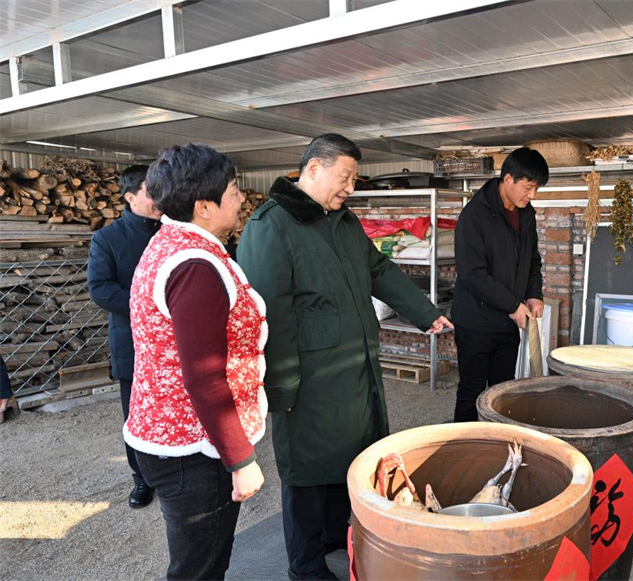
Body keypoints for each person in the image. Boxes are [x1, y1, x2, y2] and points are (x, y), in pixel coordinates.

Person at [238, 133, 452, 581]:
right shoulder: (271, 224)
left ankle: (336, 534)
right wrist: (280, 387)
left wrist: (425, 313)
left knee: (350, 457)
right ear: (313, 168)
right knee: (307, 472)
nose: (351, 188)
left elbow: (378, 269)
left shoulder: (343, 220)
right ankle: (305, 565)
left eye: (354, 179)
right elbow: (268, 312)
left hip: (356, 365)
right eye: (346, 177)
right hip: (308, 377)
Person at [124, 144, 267, 580]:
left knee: (199, 564)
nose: (241, 198)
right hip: (193, 450)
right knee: (200, 569)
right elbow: (205, 376)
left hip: (173, 434)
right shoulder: (194, 265)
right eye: (233, 190)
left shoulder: (170, 243)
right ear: (204, 207)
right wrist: (240, 460)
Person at [450, 147, 549, 422]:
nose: (532, 195)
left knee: (502, 391)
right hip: (476, 322)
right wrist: (513, 305)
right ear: (508, 179)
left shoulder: (526, 214)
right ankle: (465, 443)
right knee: (472, 391)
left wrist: (534, 295)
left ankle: (496, 442)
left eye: (536, 189)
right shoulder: (474, 215)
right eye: (528, 188)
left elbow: (532, 260)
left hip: (508, 323)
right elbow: (472, 274)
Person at [87, 164, 161, 508]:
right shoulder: (107, 238)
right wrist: (152, 306)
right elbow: (101, 289)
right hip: (132, 340)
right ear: (130, 197)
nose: (160, 197)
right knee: (136, 413)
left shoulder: (174, 232)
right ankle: (142, 478)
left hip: (176, 339)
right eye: (151, 191)